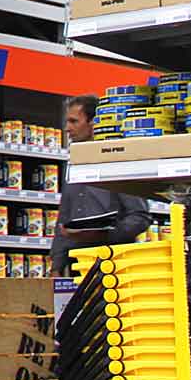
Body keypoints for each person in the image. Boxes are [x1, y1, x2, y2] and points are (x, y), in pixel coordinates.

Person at [51, 95, 153, 273]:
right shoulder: (73, 165)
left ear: (93, 123)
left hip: (114, 265)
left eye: (74, 121)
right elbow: (64, 217)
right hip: (79, 264)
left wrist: (104, 235)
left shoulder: (117, 163)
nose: (67, 128)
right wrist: (56, 265)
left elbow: (140, 217)